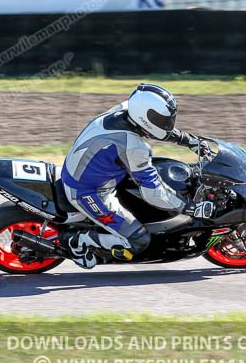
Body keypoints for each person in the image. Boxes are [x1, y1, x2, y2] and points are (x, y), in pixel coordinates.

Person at [60, 83, 213, 267]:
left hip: (91, 170)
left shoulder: (125, 110)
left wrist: (189, 141)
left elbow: (156, 130)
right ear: (146, 117)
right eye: (164, 120)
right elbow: (153, 193)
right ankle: (80, 241)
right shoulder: (133, 147)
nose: (168, 124)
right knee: (138, 239)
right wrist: (188, 207)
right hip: (88, 191)